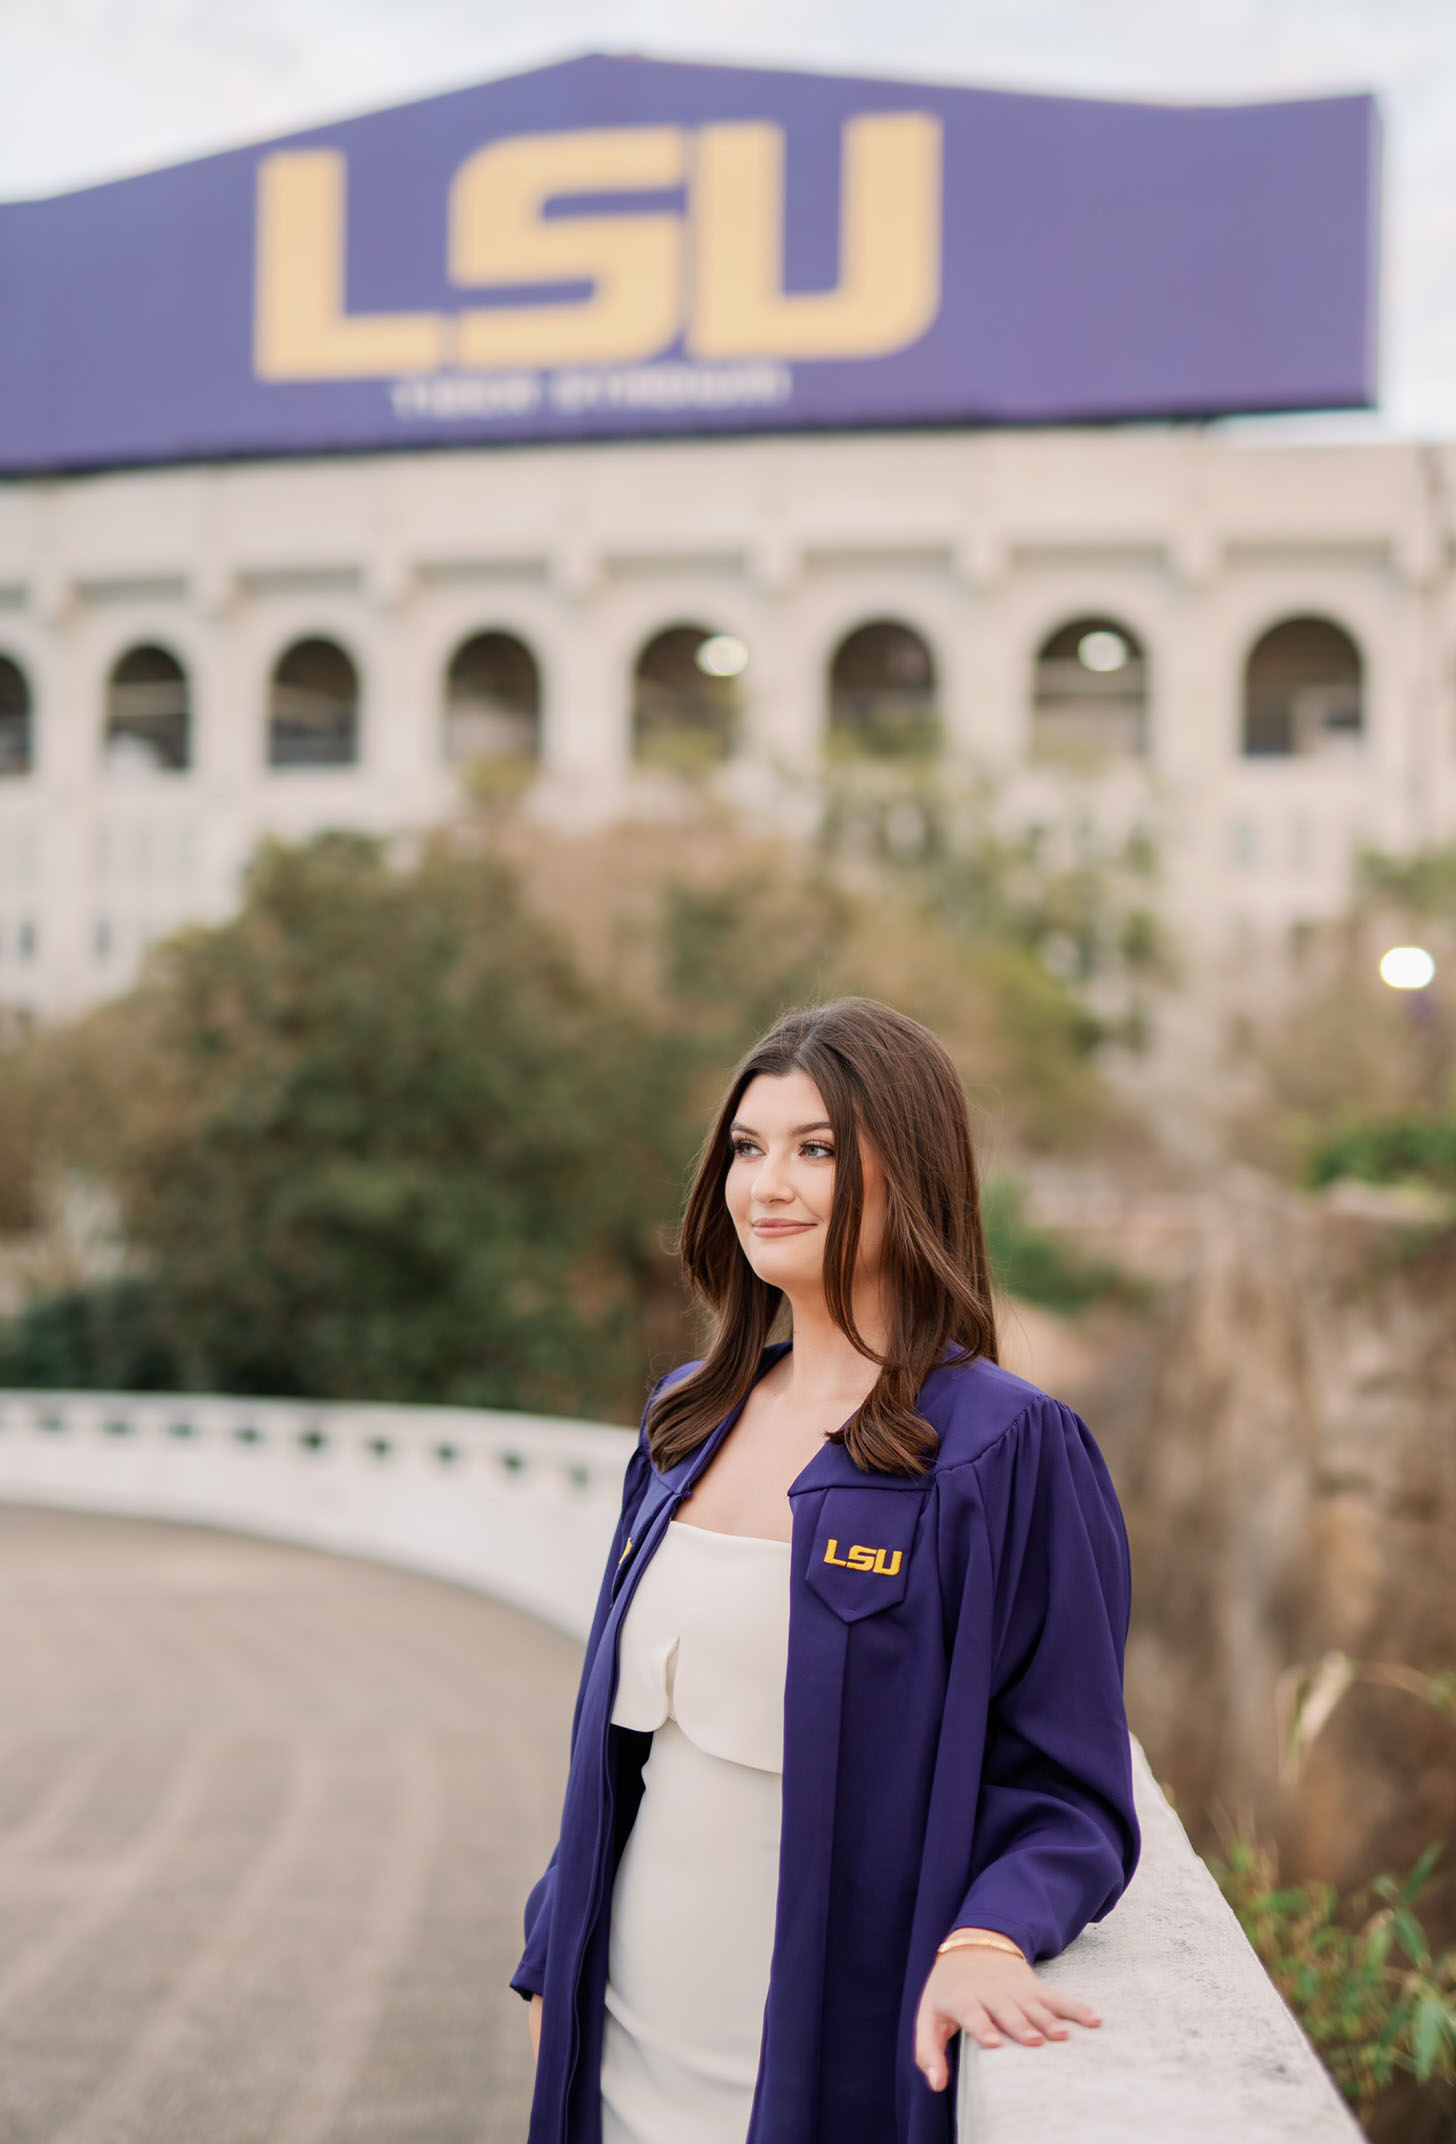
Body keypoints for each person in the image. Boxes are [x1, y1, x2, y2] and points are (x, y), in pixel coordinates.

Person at [512, 997, 1140, 2144]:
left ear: (913, 1173)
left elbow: (1071, 1785)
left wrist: (990, 1934)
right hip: (623, 2017)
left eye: (817, 1150)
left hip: (823, 2041)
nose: (769, 1184)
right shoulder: (682, 1423)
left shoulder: (999, 1447)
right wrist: (558, 1936)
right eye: (749, 1148)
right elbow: (617, 1753)